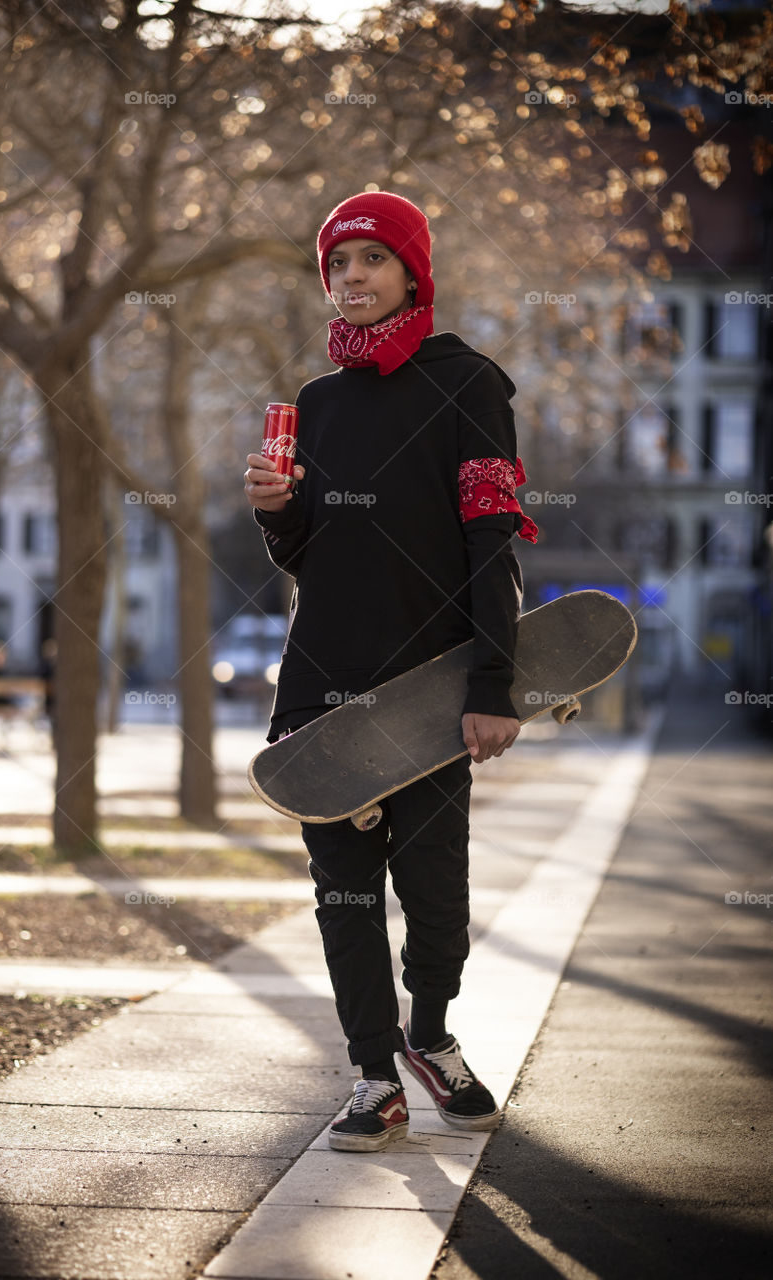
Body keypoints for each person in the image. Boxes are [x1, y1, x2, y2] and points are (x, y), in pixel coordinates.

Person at [244, 191, 538, 1153]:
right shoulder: (320, 404)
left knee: (437, 895)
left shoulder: (469, 384)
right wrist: (280, 513)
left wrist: (495, 684)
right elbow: (311, 560)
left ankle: (431, 1033)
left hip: (431, 691)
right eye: (338, 265)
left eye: (372, 259)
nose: (353, 278)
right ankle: (374, 1076)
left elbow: (493, 542)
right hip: (322, 687)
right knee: (343, 896)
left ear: (413, 270)